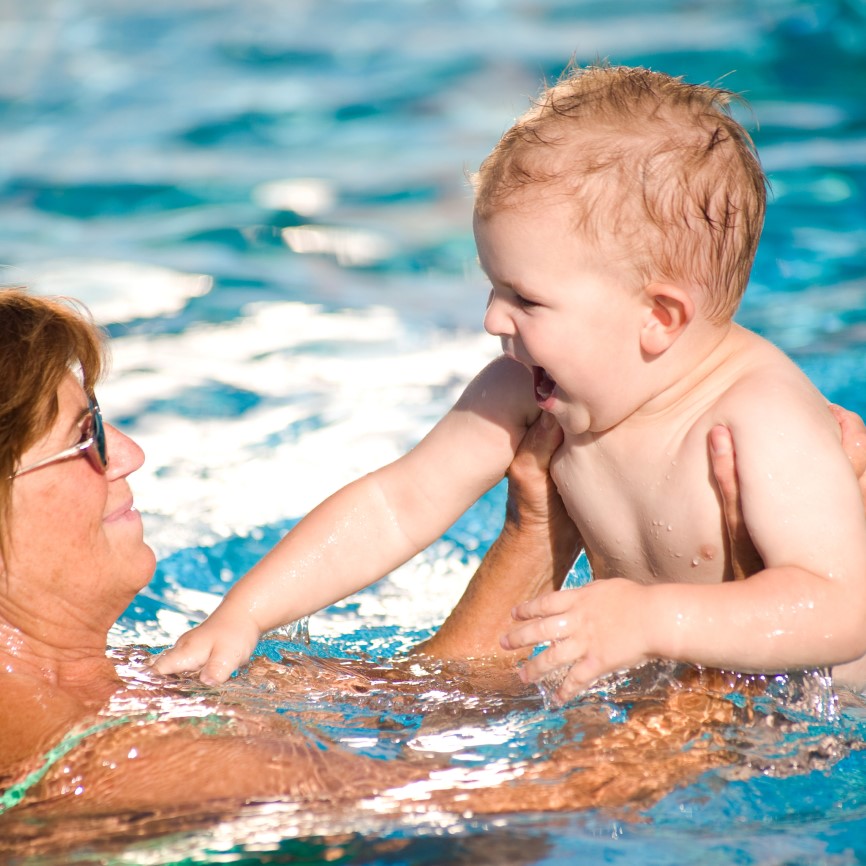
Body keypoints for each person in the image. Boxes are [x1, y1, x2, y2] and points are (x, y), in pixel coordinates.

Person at [2, 289, 865, 840]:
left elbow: (425, 701)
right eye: (86, 437)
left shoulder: (113, 685)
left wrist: (536, 527)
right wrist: (737, 636)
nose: (129, 454)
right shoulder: (96, 756)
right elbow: (521, 807)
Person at [155, 64, 866, 701]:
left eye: (525, 298)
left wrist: (654, 619)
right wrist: (245, 613)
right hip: (673, 701)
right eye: (495, 287)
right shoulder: (531, 389)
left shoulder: (760, 416)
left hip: (814, 727)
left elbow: (843, 608)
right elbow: (397, 504)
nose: (492, 318)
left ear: (658, 316)